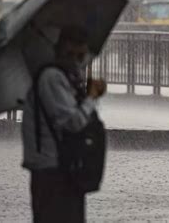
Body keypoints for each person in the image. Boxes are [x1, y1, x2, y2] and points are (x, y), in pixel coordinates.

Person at [21, 26, 107, 223]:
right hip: (52, 171)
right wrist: (91, 97)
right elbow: (73, 122)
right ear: (60, 50)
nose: (77, 61)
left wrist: (87, 95)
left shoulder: (65, 78)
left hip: (65, 168)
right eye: (72, 54)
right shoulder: (52, 78)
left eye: (81, 56)